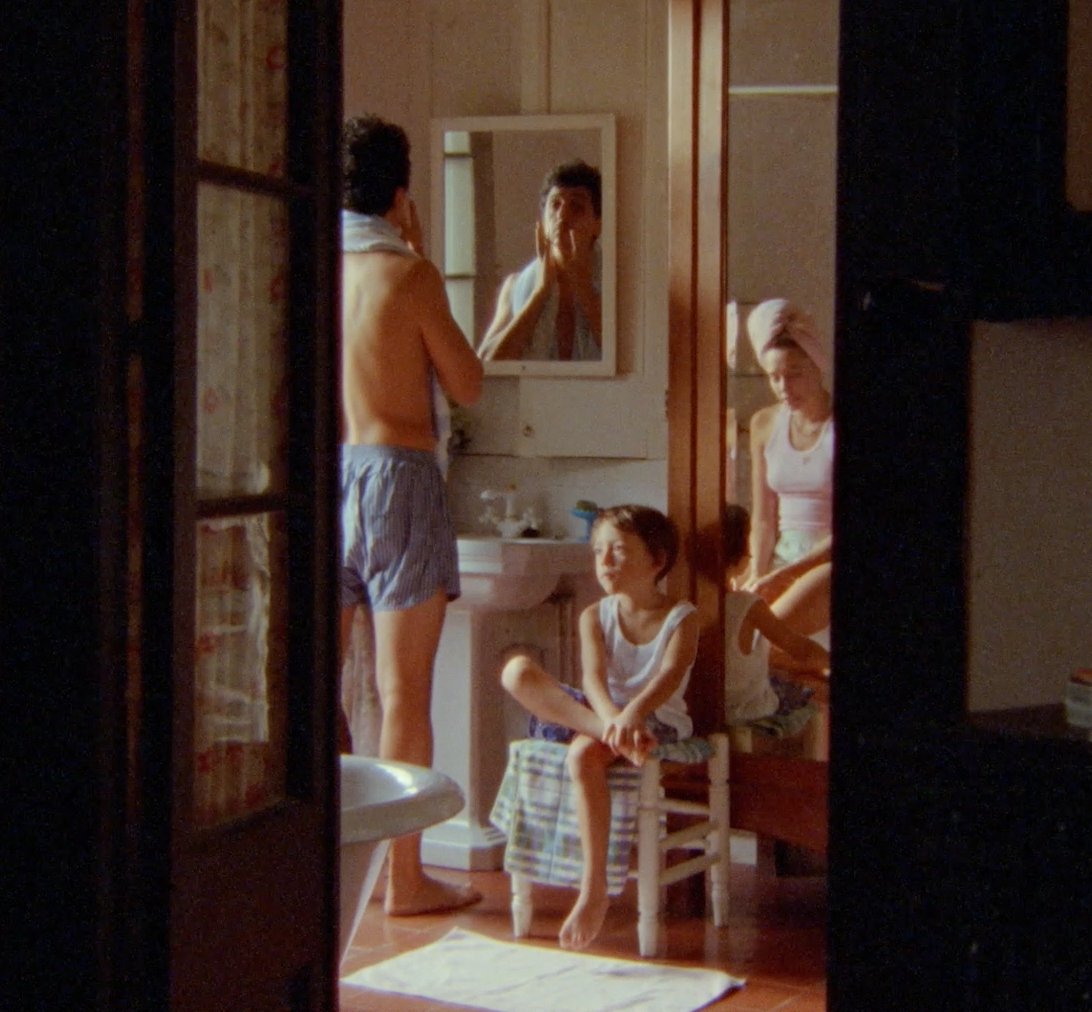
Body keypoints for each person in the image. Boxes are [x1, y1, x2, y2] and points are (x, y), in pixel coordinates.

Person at [339, 113, 485, 915]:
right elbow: (466, 384)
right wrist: (424, 255)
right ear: (400, 193)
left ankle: (318, 875)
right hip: (397, 478)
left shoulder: (311, 261)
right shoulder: (409, 275)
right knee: (402, 696)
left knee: (315, 690)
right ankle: (403, 882)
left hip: (322, 480)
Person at [499, 504, 700, 950]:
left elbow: (667, 678)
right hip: (603, 714)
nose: (604, 562)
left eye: (619, 551)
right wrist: (612, 719)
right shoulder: (594, 615)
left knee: (583, 753)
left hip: (656, 720)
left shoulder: (683, 618)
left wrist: (632, 715)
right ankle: (610, 734)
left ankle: (593, 891)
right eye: (598, 552)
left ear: (657, 560)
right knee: (516, 671)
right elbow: (591, 678)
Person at [743, 298, 833, 639]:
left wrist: (787, 574)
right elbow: (763, 518)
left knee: (769, 638)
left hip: (826, 558)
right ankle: (816, 673)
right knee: (737, 635)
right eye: (774, 377)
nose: (784, 388)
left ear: (818, 365)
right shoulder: (765, 424)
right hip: (782, 553)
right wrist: (757, 570)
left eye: (794, 373)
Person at [476, 159, 603, 361]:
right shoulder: (515, 286)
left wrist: (583, 285)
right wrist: (540, 292)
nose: (562, 215)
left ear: (597, 224)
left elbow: (632, 363)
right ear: (542, 220)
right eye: (555, 205)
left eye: (576, 206)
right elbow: (487, 364)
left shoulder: (616, 288)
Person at [718, 504, 829, 724]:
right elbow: (802, 649)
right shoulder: (747, 606)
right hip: (749, 709)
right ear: (743, 560)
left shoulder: (684, 603)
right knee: (806, 687)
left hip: (707, 706)